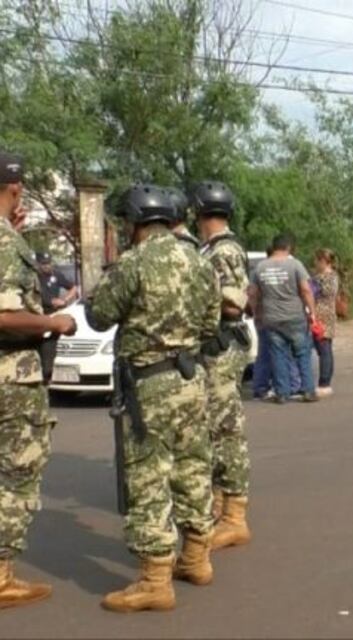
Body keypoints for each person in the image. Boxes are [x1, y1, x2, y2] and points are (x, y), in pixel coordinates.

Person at [86, 184, 220, 612]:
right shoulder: (199, 262)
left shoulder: (133, 263)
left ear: (134, 224)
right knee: (194, 466)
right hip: (191, 378)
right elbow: (211, 322)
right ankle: (197, 559)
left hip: (150, 382)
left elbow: (99, 315)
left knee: (148, 477)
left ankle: (155, 580)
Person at [0, 151, 76, 609]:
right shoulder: (5, 243)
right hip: (11, 378)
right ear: (13, 189)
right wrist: (54, 323)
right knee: (16, 476)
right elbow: (4, 315)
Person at [191, 181, 253, 551]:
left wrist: (196, 298)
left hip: (220, 348)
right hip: (214, 348)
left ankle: (234, 517)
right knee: (214, 429)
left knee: (225, 430)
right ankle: (219, 503)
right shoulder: (212, 249)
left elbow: (233, 304)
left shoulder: (223, 251)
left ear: (199, 212)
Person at [248, 233, 317, 404]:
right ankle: (308, 390)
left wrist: (256, 312)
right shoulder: (295, 265)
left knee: (278, 355)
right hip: (294, 317)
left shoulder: (260, 267)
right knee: (302, 354)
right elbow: (306, 290)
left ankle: (282, 393)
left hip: (271, 318)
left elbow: (252, 293)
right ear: (289, 247)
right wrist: (312, 311)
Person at [35, 251, 77, 384]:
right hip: (39, 314)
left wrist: (65, 300)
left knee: (51, 343)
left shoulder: (56, 275)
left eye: (48, 263)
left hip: (54, 314)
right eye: (44, 264)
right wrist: (49, 301)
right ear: (38, 264)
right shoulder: (35, 277)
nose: (47, 266)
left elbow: (73, 288)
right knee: (42, 345)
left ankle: (48, 372)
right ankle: (44, 373)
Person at [311, 248, 340, 397]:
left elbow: (326, 293)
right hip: (320, 315)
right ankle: (324, 381)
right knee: (324, 349)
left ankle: (324, 382)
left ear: (323, 261)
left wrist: (314, 283)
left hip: (324, 316)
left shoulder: (329, 277)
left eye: (317, 260)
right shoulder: (320, 276)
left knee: (324, 349)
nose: (315, 263)